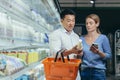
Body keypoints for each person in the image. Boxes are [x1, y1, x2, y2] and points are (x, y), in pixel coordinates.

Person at [49, 9, 82, 80]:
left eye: (73, 21)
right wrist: (72, 51)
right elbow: (56, 54)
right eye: (68, 21)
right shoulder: (56, 34)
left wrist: (79, 54)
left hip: (74, 71)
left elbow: (76, 56)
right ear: (61, 21)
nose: (71, 23)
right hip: (60, 73)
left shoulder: (76, 36)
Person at [80, 14, 112, 80]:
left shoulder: (103, 38)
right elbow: (79, 57)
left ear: (97, 24)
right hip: (85, 71)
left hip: (99, 72)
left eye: (91, 23)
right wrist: (79, 54)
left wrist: (98, 52)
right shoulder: (81, 39)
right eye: (87, 23)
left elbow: (109, 55)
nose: (88, 25)